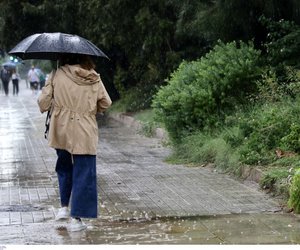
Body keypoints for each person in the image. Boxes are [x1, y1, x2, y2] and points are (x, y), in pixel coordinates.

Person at [37, 54, 112, 232]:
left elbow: (43, 103)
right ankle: (76, 219)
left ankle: (63, 207)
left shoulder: (56, 74)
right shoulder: (93, 77)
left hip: (61, 128)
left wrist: (53, 88)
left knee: (63, 167)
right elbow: (106, 103)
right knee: (84, 172)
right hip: (85, 130)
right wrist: (90, 109)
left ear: (64, 58)